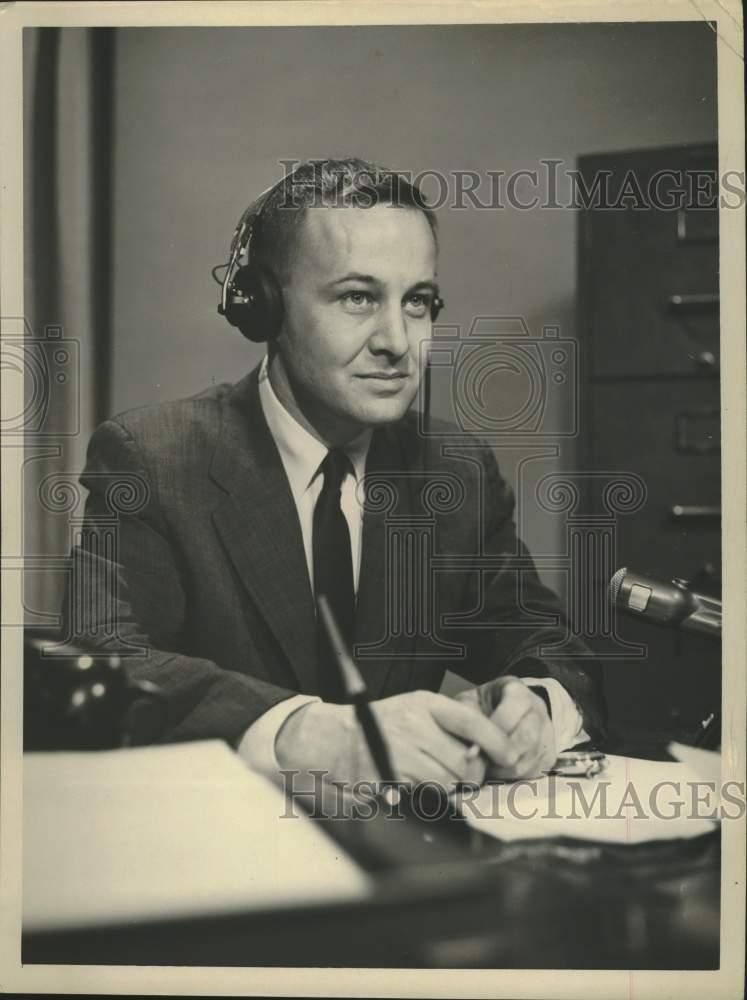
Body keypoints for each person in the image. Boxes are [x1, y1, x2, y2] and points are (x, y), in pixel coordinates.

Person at [65, 157, 606, 790]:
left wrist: (536, 706)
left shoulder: (454, 472)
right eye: (358, 297)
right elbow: (100, 661)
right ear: (265, 308)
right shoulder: (152, 457)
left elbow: (551, 646)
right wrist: (304, 731)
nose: (398, 342)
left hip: (404, 861)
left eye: (419, 303)